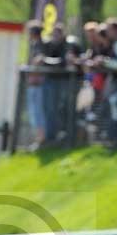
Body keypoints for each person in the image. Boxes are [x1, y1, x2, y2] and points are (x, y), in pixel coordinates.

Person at [42, 22, 69, 142]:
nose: (55, 36)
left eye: (58, 33)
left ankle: (57, 135)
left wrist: (46, 61)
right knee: (48, 108)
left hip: (61, 82)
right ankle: (49, 135)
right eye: (54, 33)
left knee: (57, 108)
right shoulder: (48, 45)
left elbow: (61, 62)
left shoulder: (66, 45)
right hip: (48, 80)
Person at [25, 20, 46, 150]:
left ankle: (41, 139)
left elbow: (39, 61)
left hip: (38, 84)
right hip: (33, 83)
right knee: (33, 112)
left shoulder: (40, 46)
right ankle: (37, 139)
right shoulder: (34, 45)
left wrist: (32, 66)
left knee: (38, 112)